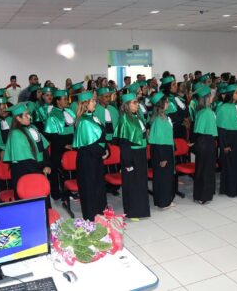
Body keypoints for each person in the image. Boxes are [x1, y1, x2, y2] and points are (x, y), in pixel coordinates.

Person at [113, 92, 150, 220]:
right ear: (127, 105)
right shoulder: (124, 119)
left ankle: (142, 210)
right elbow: (124, 144)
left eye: (137, 102)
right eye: (134, 102)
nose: (137, 104)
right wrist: (128, 163)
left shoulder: (137, 116)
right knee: (132, 184)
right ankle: (133, 212)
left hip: (140, 153)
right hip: (131, 155)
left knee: (140, 183)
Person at [72, 91, 108, 221]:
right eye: (93, 101)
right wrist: (103, 152)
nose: (95, 103)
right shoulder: (84, 122)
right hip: (88, 160)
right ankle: (91, 218)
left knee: (98, 188)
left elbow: (101, 138)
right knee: (90, 190)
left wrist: (106, 149)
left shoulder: (93, 117)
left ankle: (100, 215)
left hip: (96, 157)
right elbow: (91, 145)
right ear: (85, 104)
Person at [3, 103, 51, 197]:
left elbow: (43, 148)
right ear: (18, 118)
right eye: (26, 115)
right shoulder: (16, 134)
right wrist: (40, 171)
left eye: (29, 114)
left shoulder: (33, 128)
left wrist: (47, 165)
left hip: (36, 168)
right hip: (25, 172)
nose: (29, 117)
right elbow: (25, 161)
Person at [45, 89, 75, 200]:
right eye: (65, 99)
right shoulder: (52, 115)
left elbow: (75, 128)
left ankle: (72, 190)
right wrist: (64, 145)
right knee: (57, 169)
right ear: (58, 101)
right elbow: (51, 135)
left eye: (67, 99)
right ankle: (58, 193)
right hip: (59, 144)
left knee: (72, 168)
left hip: (72, 142)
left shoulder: (69, 111)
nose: (67, 101)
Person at [216, 84, 237, 197]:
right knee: (230, 166)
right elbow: (221, 129)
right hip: (230, 139)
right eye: (236, 92)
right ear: (230, 94)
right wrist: (224, 145)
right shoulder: (223, 108)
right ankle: (230, 190)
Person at [148, 92, 175, 209]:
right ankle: (163, 202)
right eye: (166, 101)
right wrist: (162, 158)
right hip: (161, 151)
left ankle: (165, 200)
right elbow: (158, 142)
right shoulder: (159, 120)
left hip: (166, 148)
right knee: (162, 178)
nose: (168, 103)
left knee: (166, 177)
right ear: (161, 104)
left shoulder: (164, 116)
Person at [191, 85, 217, 204]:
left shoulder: (201, 110)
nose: (213, 97)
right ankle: (203, 195)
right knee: (206, 170)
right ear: (206, 98)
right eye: (211, 95)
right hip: (207, 142)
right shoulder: (207, 112)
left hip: (202, 142)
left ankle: (200, 194)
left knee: (201, 169)